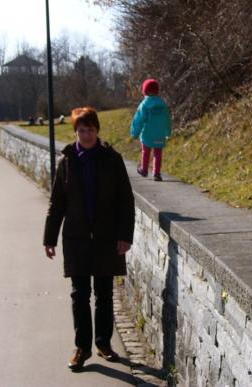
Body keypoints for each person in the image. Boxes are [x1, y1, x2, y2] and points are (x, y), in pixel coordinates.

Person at [43, 106, 135, 372]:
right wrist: (49, 238)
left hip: (106, 237)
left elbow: (125, 201)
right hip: (77, 238)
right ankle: (82, 348)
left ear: (97, 130)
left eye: (90, 130)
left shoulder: (112, 159)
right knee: (79, 294)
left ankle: (103, 343)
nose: (86, 135)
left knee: (104, 294)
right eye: (81, 130)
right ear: (75, 131)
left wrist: (124, 236)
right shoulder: (67, 162)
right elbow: (57, 203)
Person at [130, 78, 172, 181]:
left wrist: (135, 132)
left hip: (147, 134)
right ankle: (156, 174)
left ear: (145, 91)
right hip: (159, 134)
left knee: (146, 151)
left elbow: (138, 120)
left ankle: (144, 170)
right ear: (157, 91)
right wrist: (168, 132)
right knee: (158, 154)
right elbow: (167, 119)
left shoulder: (144, 104)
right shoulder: (163, 104)